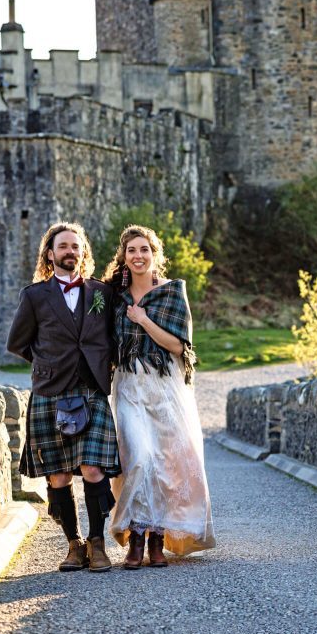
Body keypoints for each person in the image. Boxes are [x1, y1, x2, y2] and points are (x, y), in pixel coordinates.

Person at [7, 222, 120, 573]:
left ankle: (98, 543)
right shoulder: (35, 296)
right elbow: (17, 343)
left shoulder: (101, 292)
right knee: (57, 476)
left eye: (76, 246)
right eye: (63, 246)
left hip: (90, 391)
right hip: (50, 392)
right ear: (50, 254)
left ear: (83, 253)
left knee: (92, 467)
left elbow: (112, 337)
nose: (70, 251)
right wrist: (48, 365)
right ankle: (74, 544)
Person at [102, 225, 215, 568]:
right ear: (123, 256)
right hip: (129, 385)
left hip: (164, 386)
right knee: (138, 457)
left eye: (144, 250)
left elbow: (179, 346)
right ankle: (135, 535)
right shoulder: (113, 297)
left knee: (167, 462)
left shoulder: (172, 293)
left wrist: (144, 320)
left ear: (155, 255)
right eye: (132, 250)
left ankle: (155, 540)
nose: (138, 256)